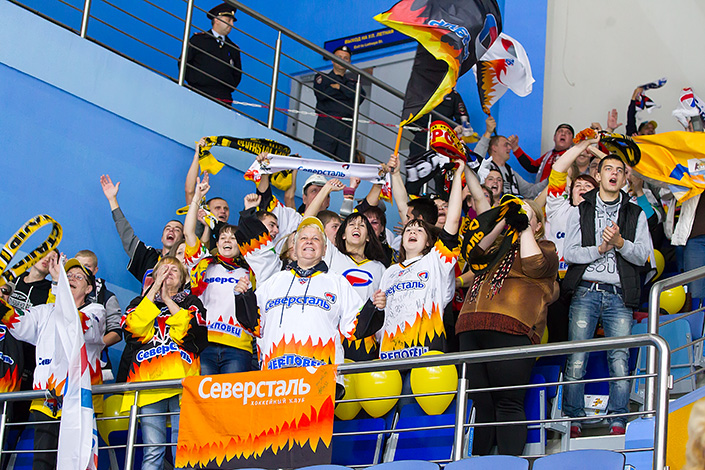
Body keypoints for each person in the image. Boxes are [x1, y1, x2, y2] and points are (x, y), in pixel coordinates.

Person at [456, 197, 558, 455]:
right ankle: (479, 461)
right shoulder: (496, 247)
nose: (518, 215)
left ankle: (509, 463)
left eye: (525, 213)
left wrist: (523, 226)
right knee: (481, 403)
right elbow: (474, 253)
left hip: (512, 328)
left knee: (508, 402)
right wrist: (503, 220)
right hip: (471, 327)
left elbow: (535, 266)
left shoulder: (546, 248)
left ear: (538, 225)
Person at [562, 154, 651, 437]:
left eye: (620, 170)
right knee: (577, 357)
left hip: (619, 295)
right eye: (608, 169)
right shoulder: (580, 209)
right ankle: (573, 418)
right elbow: (569, 253)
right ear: (598, 175)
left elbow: (643, 255)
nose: (614, 173)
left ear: (625, 179)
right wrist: (599, 249)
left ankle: (618, 419)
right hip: (586, 290)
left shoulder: (635, 213)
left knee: (620, 360)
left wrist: (620, 243)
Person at [234, 216, 386, 378]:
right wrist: (242, 298)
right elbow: (255, 326)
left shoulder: (338, 283)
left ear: (325, 250)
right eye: (303, 238)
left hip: (322, 379)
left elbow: (355, 328)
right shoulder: (273, 282)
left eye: (316, 239)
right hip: (276, 379)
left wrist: (374, 307)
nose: (309, 241)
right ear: (294, 248)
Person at [0, 257, 105, 470]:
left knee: (75, 463)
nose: (72, 279)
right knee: (42, 464)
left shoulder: (95, 312)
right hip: (46, 400)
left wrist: (58, 287)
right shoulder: (45, 310)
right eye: (69, 275)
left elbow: (75, 325)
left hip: (79, 402)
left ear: (89, 288)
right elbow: (17, 323)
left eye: (78, 277)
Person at [121, 256, 208, 470]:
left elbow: (191, 334)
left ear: (183, 279)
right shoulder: (138, 303)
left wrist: (168, 299)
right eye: (163, 270)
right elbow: (133, 331)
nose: (168, 274)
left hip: (183, 387)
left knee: (182, 451)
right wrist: (154, 291)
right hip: (148, 386)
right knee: (153, 451)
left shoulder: (192, 303)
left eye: (174, 271)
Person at [378, 158, 464, 359]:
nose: (410, 229)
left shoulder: (436, 258)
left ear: (427, 240)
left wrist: (458, 177)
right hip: (391, 354)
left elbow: (453, 220)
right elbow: (403, 207)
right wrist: (396, 174)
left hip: (427, 345)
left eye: (417, 227)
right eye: (409, 227)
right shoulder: (391, 272)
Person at [305, 180, 388, 360]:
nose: (356, 227)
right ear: (342, 235)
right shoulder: (331, 255)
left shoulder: (379, 268)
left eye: (362, 225)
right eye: (351, 224)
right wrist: (326, 189)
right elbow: (307, 222)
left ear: (368, 237)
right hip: (331, 336)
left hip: (364, 340)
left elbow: (382, 310)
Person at [184, 175, 253, 375]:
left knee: (232, 397)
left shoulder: (252, 270)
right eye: (223, 237)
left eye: (233, 238)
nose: (227, 241)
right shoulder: (204, 263)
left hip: (238, 347)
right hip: (204, 344)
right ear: (218, 243)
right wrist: (196, 198)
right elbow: (188, 233)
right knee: (203, 396)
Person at [543, 139, 598, 342]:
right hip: (556, 281)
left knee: (580, 341)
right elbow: (558, 170)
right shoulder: (558, 209)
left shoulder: (602, 214)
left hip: (586, 282)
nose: (582, 187)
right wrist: (581, 147)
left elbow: (617, 177)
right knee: (556, 337)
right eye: (578, 185)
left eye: (588, 185)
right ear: (570, 191)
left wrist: (597, 153)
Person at [100, 174, 184, 290]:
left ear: (182, 238)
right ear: (162, 238)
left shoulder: (185, 260)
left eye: (177, 229)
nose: (171, 230)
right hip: (147, 301)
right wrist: (112, 200)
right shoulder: (148, 255)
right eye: (168, 228)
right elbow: (126, 235)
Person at [312, 45, 366, 161]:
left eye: (346, 58)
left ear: (349, 62)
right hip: (326, 125)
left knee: (344, 165)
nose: (342, 60)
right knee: (321, 161)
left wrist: (339, 87)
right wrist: (347, 94)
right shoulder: (323, 77)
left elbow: (360, 98)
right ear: (332, 59)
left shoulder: (354, 83)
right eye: (339, 57)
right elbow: (322, 95)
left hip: (346, 128)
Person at [183, 3, 242, 104]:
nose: (232, 24)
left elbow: (237, 75)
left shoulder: (233, 49)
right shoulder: (199, 40)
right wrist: (195, 81)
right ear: (217, 20)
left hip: (223, 98)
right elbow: (184, 62)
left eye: (232, 21)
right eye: (228, 20)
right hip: (198, 93)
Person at [478, 135, 547, 199]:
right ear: (494, 148)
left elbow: (529, 191)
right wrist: (488, 133)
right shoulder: (484, 169)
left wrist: (549, 180)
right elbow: (476, 158)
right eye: (506, 145)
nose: (510, 148)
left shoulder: (510, 172)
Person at [508, 123, 575, 182]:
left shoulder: (573, 156)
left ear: (572, 140)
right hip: (541, 190)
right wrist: (516, 148)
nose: (563, 134)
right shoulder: (548, 155)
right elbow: (532, 167)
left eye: (568, 133)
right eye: (560, 131)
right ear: (554, 138)